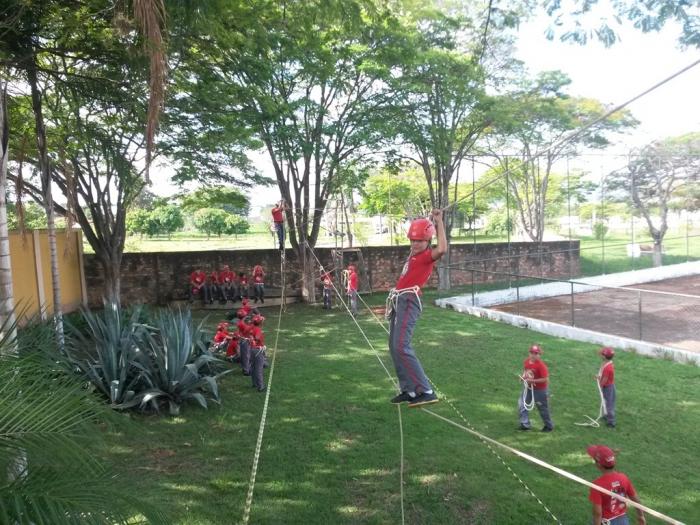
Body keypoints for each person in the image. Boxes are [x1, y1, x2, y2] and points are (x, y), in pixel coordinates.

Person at [387, 209, 447, 408]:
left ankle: (426, 391)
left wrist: (438, 221)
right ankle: (409, 390)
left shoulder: (426, 256)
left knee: (402, 346)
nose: (414, 244)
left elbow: (442, 249)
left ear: (427, 241)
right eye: (412, 240)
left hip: (409, 301)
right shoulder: (413, 256)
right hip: (399, 301)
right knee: (394, 346)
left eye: (419, 241)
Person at [587, 445, 646, 525]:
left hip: (606, 522)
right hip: (622, 520)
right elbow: (636, 499)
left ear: (599, 465)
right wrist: (641, 515)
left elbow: (597, 513)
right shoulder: (623, 478)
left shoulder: (597, 485)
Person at [518, 344, 554, 432]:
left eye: (536, 353)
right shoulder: (526, 361)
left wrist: (533, 381)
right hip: (528, 387)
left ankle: (548, 426)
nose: (533, 355)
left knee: (542, 408)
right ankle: (525, 424)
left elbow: (545, 379)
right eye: (532, 353)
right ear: (529, 353)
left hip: (540, 390)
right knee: (522, 404)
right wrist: (523, 377)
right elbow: (526, 371)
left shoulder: (541, 366)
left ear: (539, 355)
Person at [597, 346, 616, 428]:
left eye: (601, 354)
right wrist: (598, 377)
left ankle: (611, 422)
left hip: (608, 387)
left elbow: (605, 379)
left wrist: (601, 385)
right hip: (606, 385)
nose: (600, 355)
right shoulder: (606, 363)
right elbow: (602, 374)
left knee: (609, 403)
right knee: (605, 401)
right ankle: (606, 415)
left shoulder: (608, 367)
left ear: (604, 356)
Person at [249, 314, 267, 392]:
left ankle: (254, 383)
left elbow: (251, 337)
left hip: (252, 350)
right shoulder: (258, 330)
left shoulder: (252, 328)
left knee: (253, 367)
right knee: (259, 368)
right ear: (260, 323)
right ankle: (261, 386)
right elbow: (256, 338)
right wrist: (259, 345)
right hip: (257, 350)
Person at [236, 309, 252, 376]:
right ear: (244, 316)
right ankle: (246, 371)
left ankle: (246, 368)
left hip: (243, 339)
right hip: (244, 340)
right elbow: (248, 330)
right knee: (245, 356)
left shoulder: (240, 322)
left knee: (245, 355)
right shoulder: (242, 323)